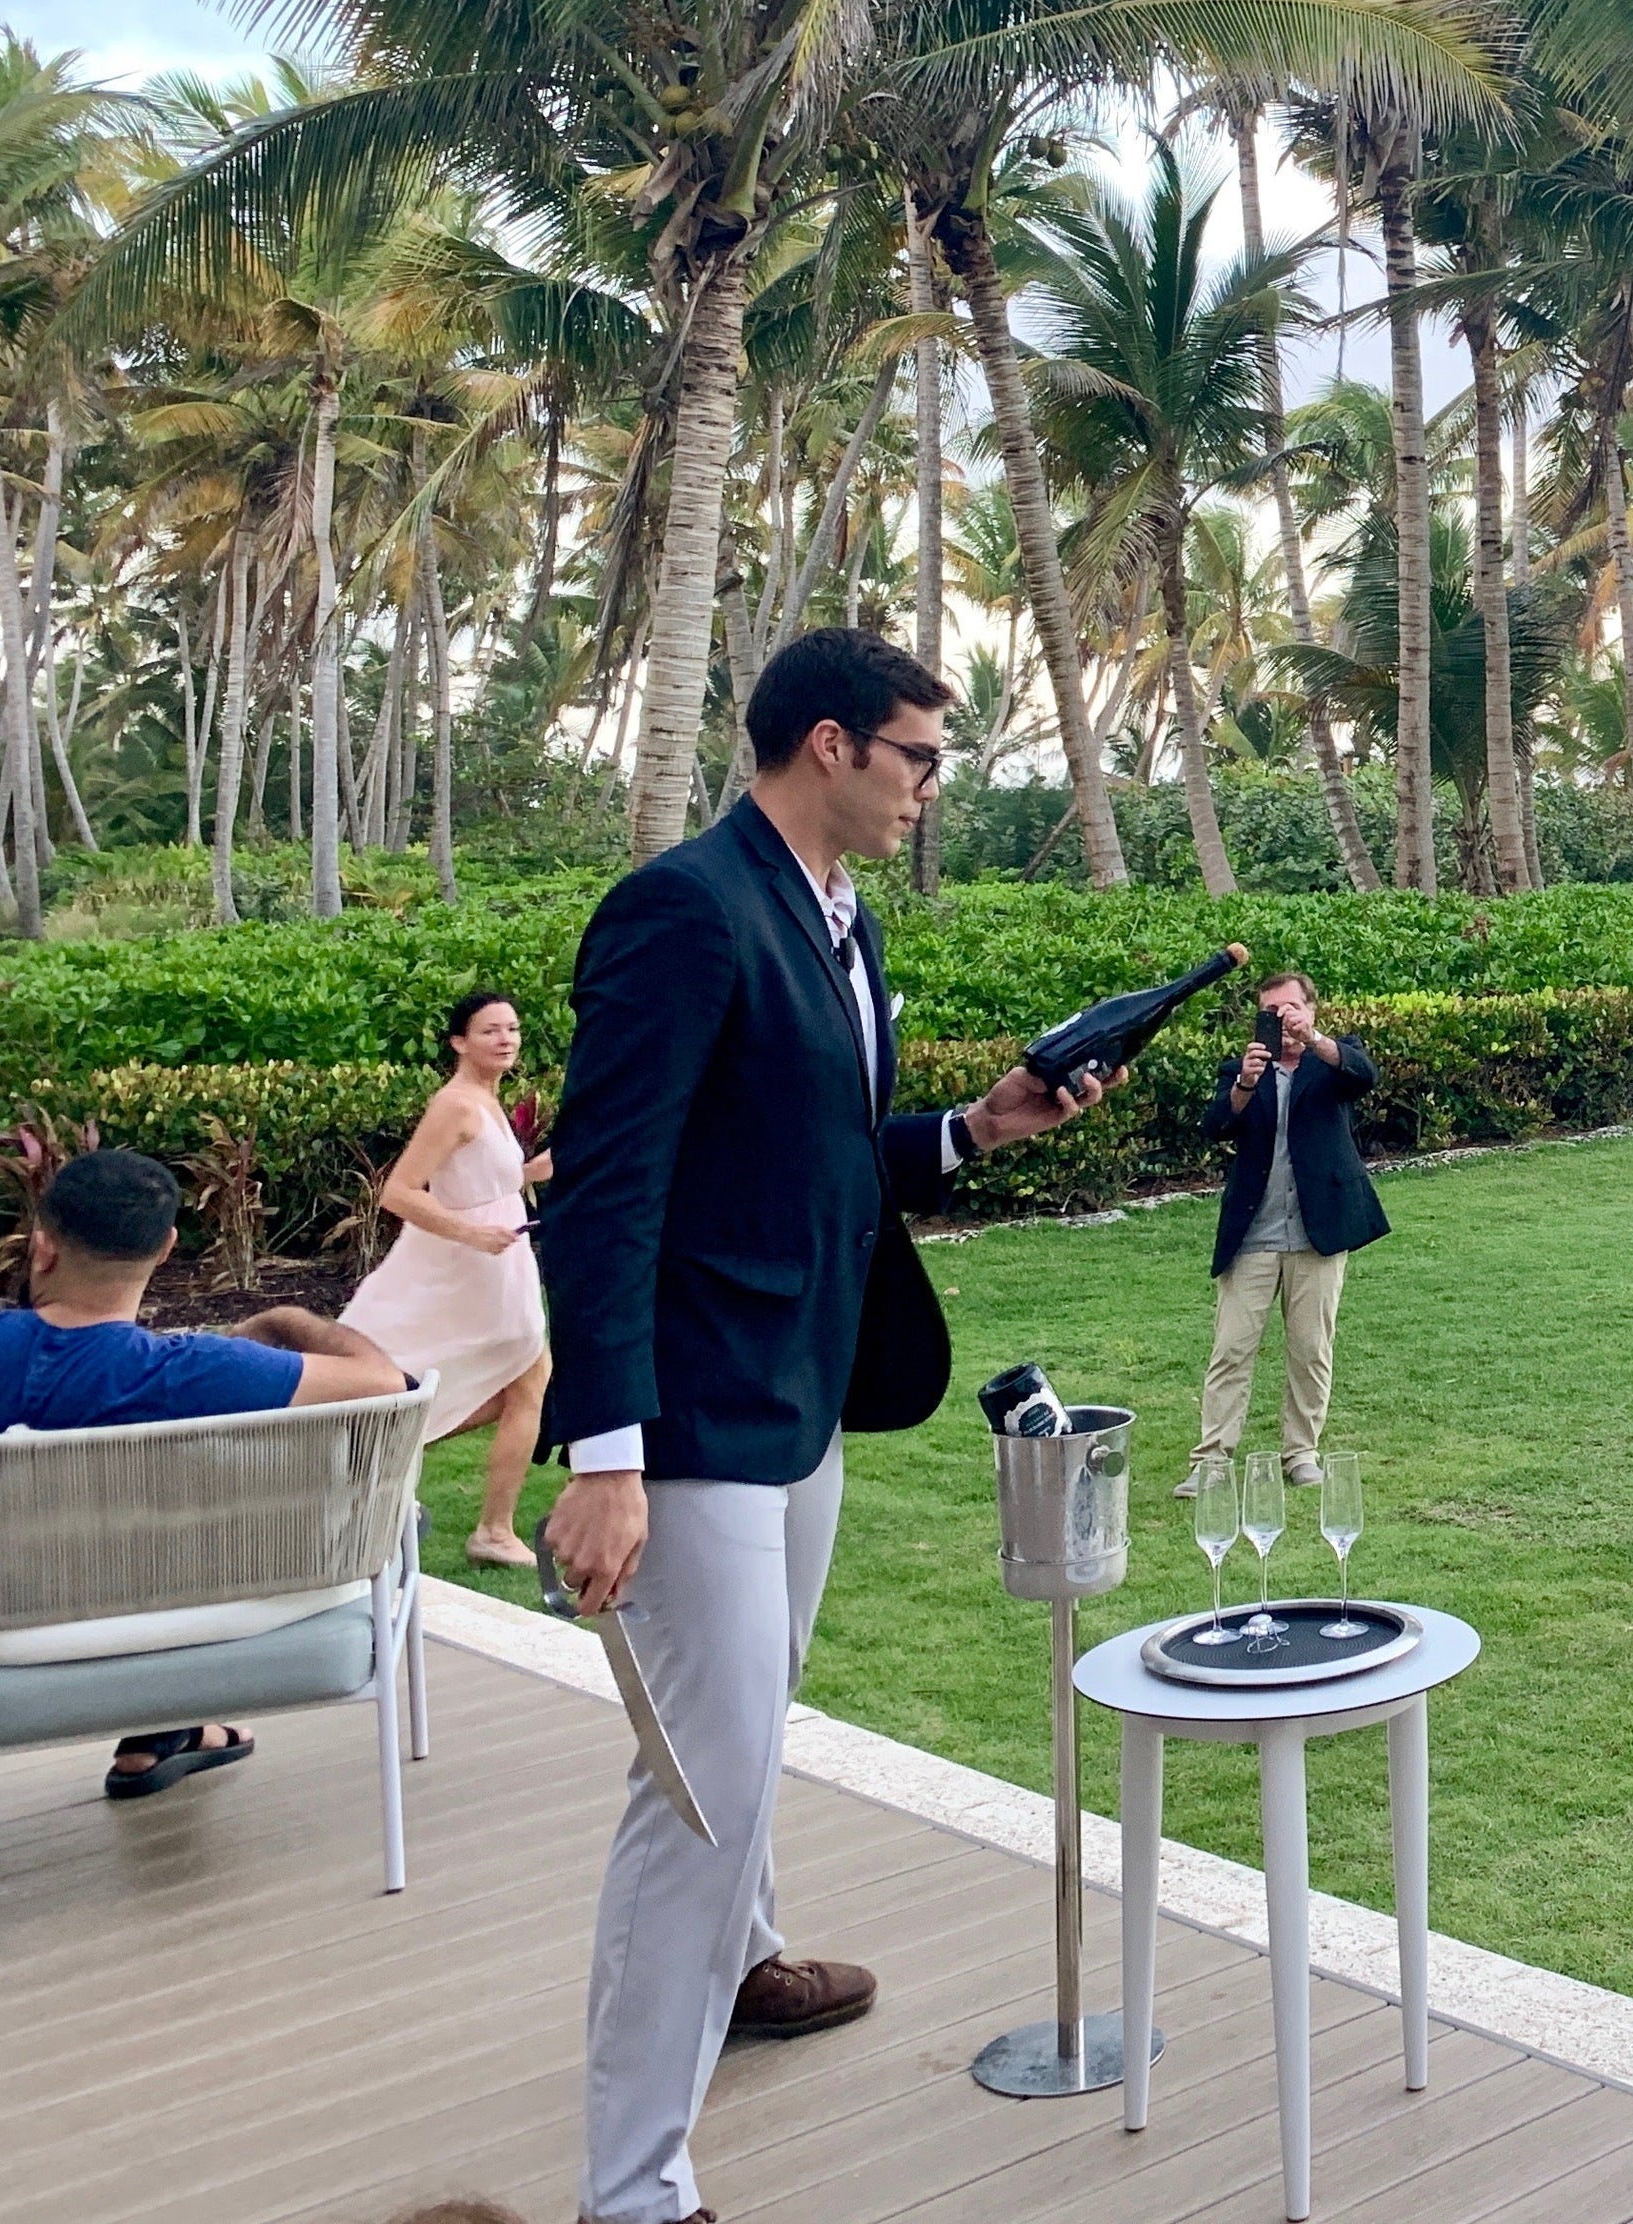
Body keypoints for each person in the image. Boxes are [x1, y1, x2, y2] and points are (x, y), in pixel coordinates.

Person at [534, 628, 1104, 2224]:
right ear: (833, 745)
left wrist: (973, 1129)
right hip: (695, 1417)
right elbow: (609, 1191)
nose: (932, 787)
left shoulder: (837, 916)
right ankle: (634, 2193)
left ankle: (747, 1962)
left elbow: (810, 1153)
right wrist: (606, 1453)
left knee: (751, 1724)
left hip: (806, 1397)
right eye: (920, 756)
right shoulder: (685, 908)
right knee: (699, 1793)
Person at [0, 1145, 413, 1798]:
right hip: (182, 1622)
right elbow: (386, 1381)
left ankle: (163, 1734)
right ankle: (166, 1728)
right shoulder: (196, 1371)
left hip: (13, 1628)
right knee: (158, 1548)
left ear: (42, 1246)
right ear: (167, 1249)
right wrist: (286, 1318)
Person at [337, 989, 556, 1567]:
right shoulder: (456, 1105)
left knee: (522, 1384)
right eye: (490, 1030)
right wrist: (473, 1235)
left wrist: (534, 1172)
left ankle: (394, 1463)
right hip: (469, 1267)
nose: (506, 1039)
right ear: (459, 1042)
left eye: (512, 1029)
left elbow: (481, 1181)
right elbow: (398, 1193)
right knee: (523, 1382)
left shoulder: (486, 1101)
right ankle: (489, 1528)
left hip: (498, 1264)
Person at [1183, 970, 1388, 1499]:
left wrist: (1314, 1041)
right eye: (1270, 1013)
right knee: (1231, 1350)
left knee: (1310, 1350)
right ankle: (1211, 1462)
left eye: (1290, 1008)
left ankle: (1301, 1454)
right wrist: (1245, 1084)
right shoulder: (1242, 1069)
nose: (1281, 1020)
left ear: (1311, 1009)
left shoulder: (1333, 1060)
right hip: (1254, 1232)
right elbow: (1214, 1126)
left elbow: (1365, 1076)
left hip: (1319, 1231)